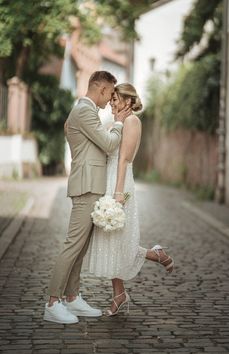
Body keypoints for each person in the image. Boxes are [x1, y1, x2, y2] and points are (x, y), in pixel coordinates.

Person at [43, 71, 132, 324]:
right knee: (73, 246)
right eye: (110, 93)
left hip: (91, 184)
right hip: (85, 186)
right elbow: (108, 143)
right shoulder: (84, 110)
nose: (110, 100)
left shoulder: (85, 112)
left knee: (80, 249)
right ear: (100, 88)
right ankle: (52, 302)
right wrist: (118, 123)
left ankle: (72, 298)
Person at [84, 83, 174, 316]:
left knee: (118, 239)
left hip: (120, 183)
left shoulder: (133, 122)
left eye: (116, 98)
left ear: (128, 101)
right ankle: (120, 294)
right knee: (113, 239)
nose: (112, 102)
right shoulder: (120, 122)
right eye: (112, 98)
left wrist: (118, 194)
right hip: (110, 180)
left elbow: (123, 159)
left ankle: (155, 256)